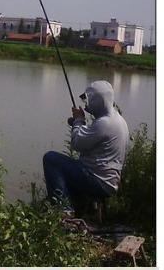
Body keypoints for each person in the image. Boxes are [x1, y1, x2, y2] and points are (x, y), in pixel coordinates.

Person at [43, 80, 129, 216]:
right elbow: (91, 140)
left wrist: (78, 120)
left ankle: (63, 211)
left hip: (99, 182)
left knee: (51, 159)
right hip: (109, 181)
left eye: (88, 100)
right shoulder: (117, 119)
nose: (86, 104)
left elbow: (77, 144)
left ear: (98, 100)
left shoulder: (104, 123)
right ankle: (76, 207)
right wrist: (79, 123)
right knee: (70, 166)